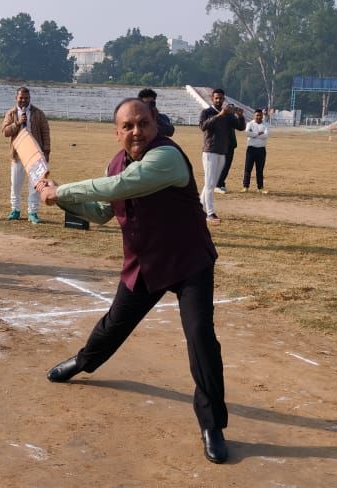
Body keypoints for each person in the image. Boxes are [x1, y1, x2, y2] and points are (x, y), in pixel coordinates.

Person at [39, 98, 230, 464]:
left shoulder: (167, 157)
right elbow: (101, 212)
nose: (137, 131)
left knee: (200, 336)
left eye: (143, 123)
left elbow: (122, 186)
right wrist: (58, 197)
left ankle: (212, 426)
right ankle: (83, 362)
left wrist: (62, 191)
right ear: (117, 133)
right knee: (113, 324)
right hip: (145, 264)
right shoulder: (115, 164)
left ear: (155, 123)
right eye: (127, 126)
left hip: (188, 261)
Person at [2, 86, 51, 224]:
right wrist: (18, 123)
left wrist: (47, 151)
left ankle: (32, 212)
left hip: (35, 155)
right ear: (16, 98)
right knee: (16, 185)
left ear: (30, 98)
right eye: (21, 98)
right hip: (18, 155)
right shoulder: (11, 113)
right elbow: (5, 131)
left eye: (26, 98)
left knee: (35, 186)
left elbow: (45, 132)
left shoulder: (38, 113)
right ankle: (15, 210)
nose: (23, 100)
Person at [198, 87, 245, 223]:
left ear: (224, 99)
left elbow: (240, 127)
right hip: (210, 151)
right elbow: (203, 126)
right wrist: (219, 115)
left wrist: (240, 116)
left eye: (221, 98)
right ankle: (210, 213)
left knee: (211, 184)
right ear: (212, 99)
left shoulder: (228, 115)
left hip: (222, 151)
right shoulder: (207, 112)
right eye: (216, 98)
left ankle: (198, 208)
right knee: (209, 183)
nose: (218, 100)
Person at [242, 108, 269, 192]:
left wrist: (253, 135)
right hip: (251, 149)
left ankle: (260, 188)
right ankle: (245, 186)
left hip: (261, 149)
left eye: (260, 115)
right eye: (257, 115)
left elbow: (266, 135)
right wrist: (259, 133)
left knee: (260, 170)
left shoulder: (265, 124)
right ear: (254, 116)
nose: (258, 117)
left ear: (262, 116)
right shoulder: (250, 124)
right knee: (248, 168)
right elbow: (247, 133)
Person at [215, 121, 238, 194]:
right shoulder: (223, 120)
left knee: (226, 166)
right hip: (225, 146)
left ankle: (221, 183)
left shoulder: (229, 119)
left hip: (230, 146)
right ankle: (217, 185)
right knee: (224, 166)